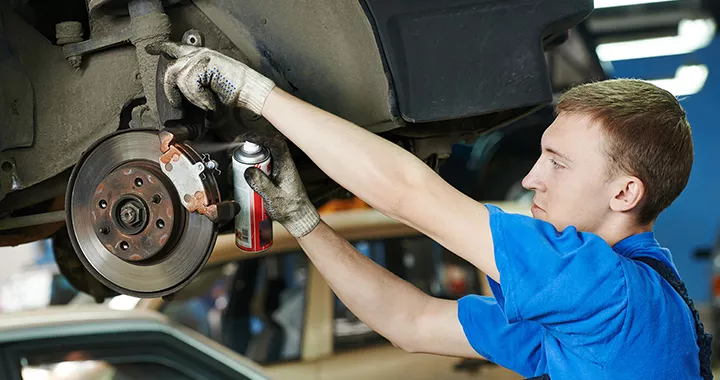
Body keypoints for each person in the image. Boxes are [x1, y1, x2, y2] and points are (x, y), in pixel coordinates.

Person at [147, 42, 712, 379]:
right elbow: (410, 322)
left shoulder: (608, 291)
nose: (530, 177)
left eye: (558, 164)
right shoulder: (577, 319)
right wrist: (303, 221)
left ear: (624, 195)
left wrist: (251, 91)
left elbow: (410, 196)